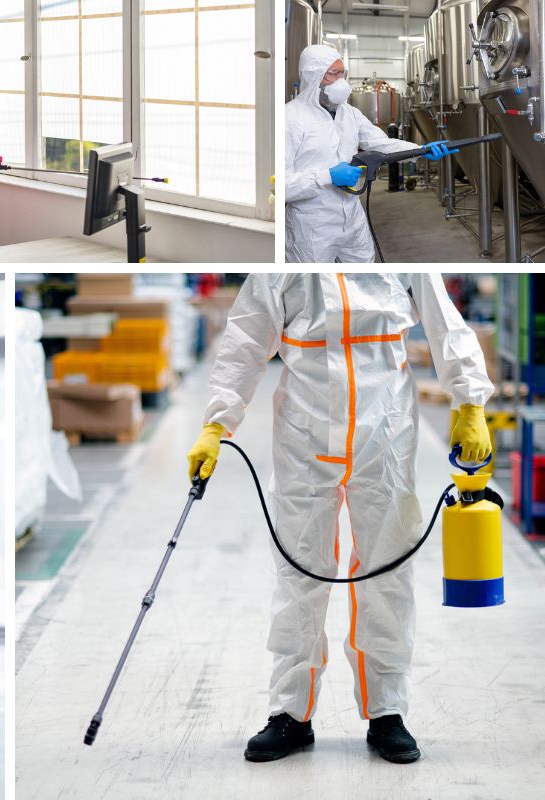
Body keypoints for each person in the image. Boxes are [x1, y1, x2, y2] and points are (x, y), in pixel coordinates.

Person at [187, 274, 493, 764]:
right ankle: (290, 713)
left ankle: (387, 712)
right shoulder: (283, 268)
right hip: (305, 432)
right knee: (299, 572)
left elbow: (445, 325)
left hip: (384, 429)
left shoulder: (399, 265)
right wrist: (216, 423)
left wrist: (471, 401)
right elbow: (246, 340)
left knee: (387, 572)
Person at [286, 45, 458, 262]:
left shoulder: (349, 113)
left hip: (352, 216)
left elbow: (380, 144)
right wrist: (327, 177)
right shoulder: (290, 118)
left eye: (342, 73)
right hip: (312, 226)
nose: (341, 81)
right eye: (333, 74)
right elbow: (282, 186)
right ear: (313, 76)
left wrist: (421, 150)